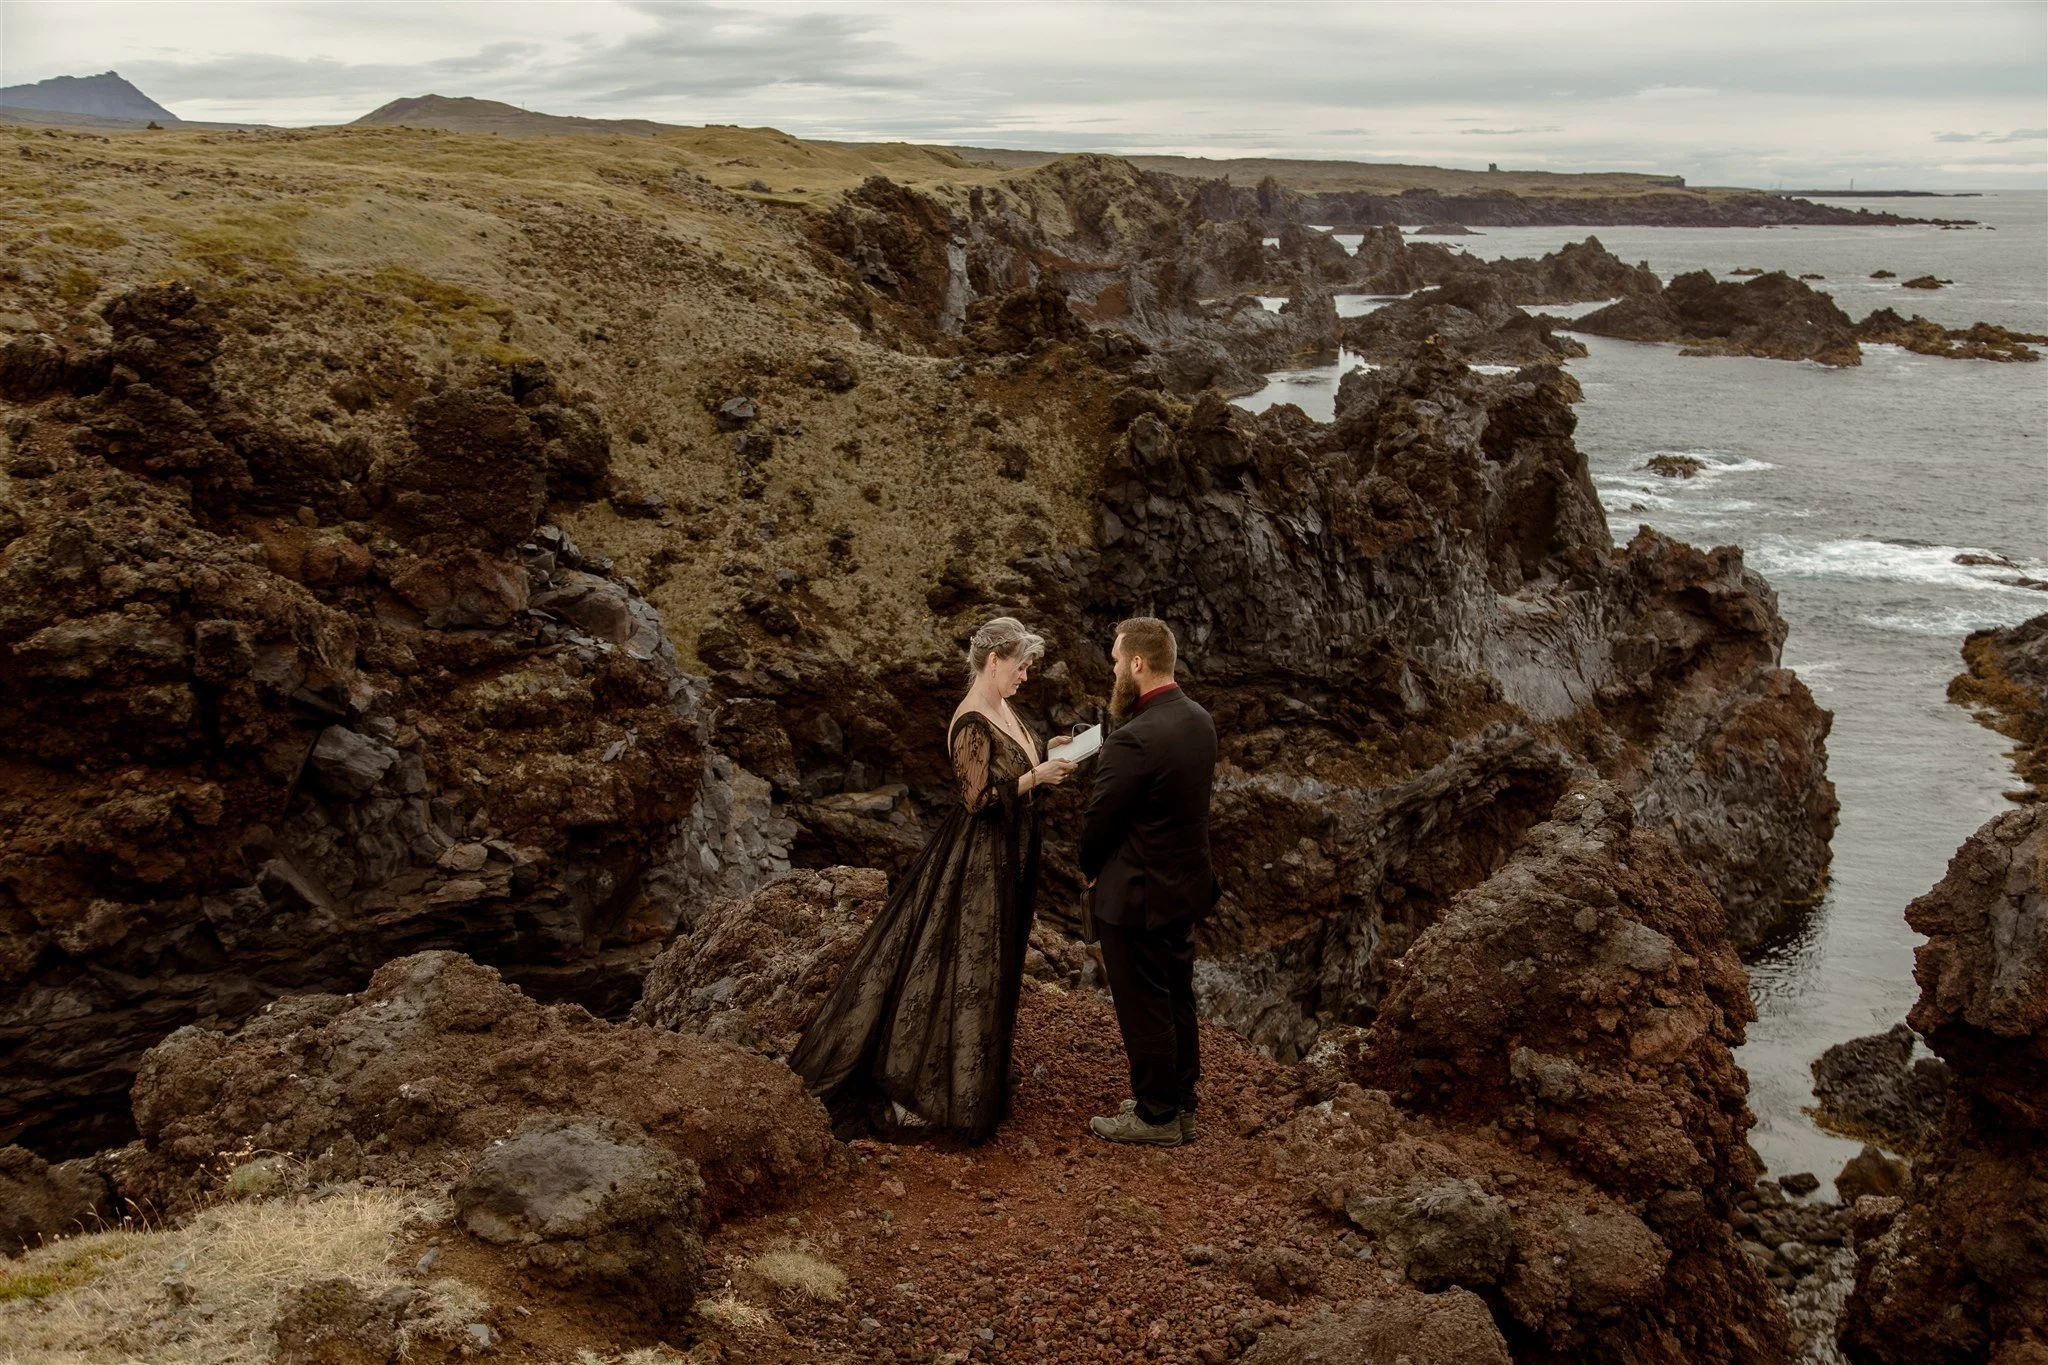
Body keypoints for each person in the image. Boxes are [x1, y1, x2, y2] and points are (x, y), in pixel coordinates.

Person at [791, 616, 1077, 1141]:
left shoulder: (1003, 707)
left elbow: (1011, 771)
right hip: (979, 862)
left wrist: (1047, 754)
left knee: (995, 961)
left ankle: (975, 1070)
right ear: (994, 661)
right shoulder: (970, 721)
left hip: (1010, 856)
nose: (1025, 676)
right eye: (1020, 666)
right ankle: (932, 1086)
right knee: (969, 963)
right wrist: (1035, 776)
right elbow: (977, 799)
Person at [1078, 616, 1219, 1147]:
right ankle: (1181, 1103)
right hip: (1184, 888)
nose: (1113, 669)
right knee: (1176, 994)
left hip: (1137, 894)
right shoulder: (1199, 719)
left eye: (1116, 660)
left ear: (1137, 663)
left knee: (1143, 1005)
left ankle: (1156, 1116)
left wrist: (1089, 867)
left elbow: (1098, 823)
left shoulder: (1133, 738)